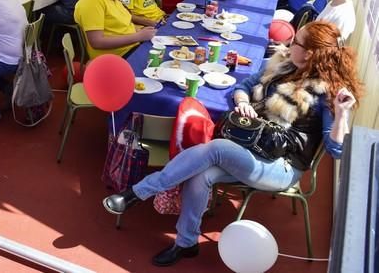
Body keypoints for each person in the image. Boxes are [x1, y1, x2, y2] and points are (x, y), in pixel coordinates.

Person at [103, 20, 361, 267]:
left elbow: (336, 149)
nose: (289, 44)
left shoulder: (326, 91)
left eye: (297, 43)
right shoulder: (283, 65)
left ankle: (138, 193)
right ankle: (186, 242)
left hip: (282, 166)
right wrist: (244, 102)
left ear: (310, 54)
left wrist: (341, 114)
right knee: (201, 174)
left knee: (215, 149)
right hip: (252, 146)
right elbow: (244, 85)